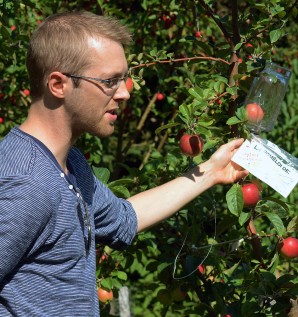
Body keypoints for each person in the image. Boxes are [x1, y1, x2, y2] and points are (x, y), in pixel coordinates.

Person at [0, 11, 248, 317]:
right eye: (109, 81)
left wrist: (212, 170)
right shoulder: (27, 184)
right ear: (58, 84)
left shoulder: (70, 165)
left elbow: (124, 218)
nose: (125, 92)